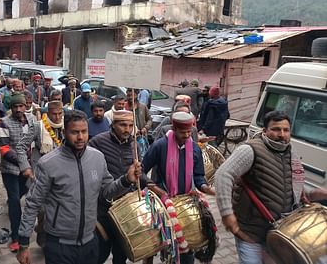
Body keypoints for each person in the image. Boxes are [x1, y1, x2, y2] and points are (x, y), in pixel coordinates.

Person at [16, 110, 142, 264]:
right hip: (59, 245)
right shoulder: (48, 163)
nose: (81, 137)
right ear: (64, 132)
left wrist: (126, 180)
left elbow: (107, 191)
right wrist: (23, 242)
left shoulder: (97, 157)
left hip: (90, 241)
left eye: (84, 131)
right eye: (75, 132)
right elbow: (32, 203)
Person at [215, 111, 327, 264]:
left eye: (286, 130)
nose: (281, 134)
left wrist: (315, 194)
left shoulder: (290, 153)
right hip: (251, 233)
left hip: (279, 234)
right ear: (265, 131)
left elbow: (294, 192)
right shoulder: (250, 150)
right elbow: (223, 174)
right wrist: (227, 213)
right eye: (275, 129)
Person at [142, 112, 215, 264]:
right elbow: (140, 172)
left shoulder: (195, 149)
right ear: (174, 129)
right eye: (183, 132)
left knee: (186, 250)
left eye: (189, 131)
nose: (187, 135)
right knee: (155, 245)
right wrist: (156, 190)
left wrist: (206, 189)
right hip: (163, 203)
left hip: (185, 204)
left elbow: (199, 176)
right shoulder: (159, 146)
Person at [88, 110, 148, 264]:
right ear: (113, 124)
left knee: (121, 255)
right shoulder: (97, 142)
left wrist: (148, 182)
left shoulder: (134, 145)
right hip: (103, 208)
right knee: (99, 253)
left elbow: (138, 174)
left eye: (130, 125)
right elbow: (91, 174)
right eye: (122, 124)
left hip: (126, 209)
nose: (127, 129)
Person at [16, 100, 64, 247]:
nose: (56, 117)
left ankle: (48, 232)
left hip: (61, 175)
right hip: (40, 176)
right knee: (42, 210)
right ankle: (42, 235)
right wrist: (26, 168)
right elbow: (20, 147)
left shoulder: (66, 126)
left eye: (59, 114)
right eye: (53, 114)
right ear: (47, 113)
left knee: (57, 210)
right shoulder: (38, 127)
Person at [0, 93, 36, 252]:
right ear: (11, 108)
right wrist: (23, 164)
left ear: (26, 106)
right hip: (10, 169)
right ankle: (16, 237)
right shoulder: (3, 123)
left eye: (21, 106)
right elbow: (4, 148)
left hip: (29, 169)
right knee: (15, 201)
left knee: (24, 192)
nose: (19, 109)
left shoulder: (32, 120)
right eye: (15, 107)